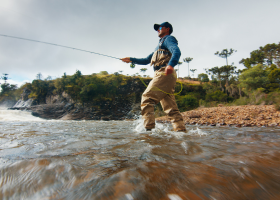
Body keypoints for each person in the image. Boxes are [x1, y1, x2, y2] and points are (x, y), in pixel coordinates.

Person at [121, 22, 186, 132]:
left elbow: (177, 51)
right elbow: (147, 60)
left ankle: (149, 131)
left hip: (163, 73)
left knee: (147, 98)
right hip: (164, 76)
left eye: (160, 28)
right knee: (171, 109)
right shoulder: (159, 46)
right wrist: (131, 59)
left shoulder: (169, 39)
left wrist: (171, 65)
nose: (158, 30)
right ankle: (181, 132)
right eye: (157, 29)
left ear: (167, 29)